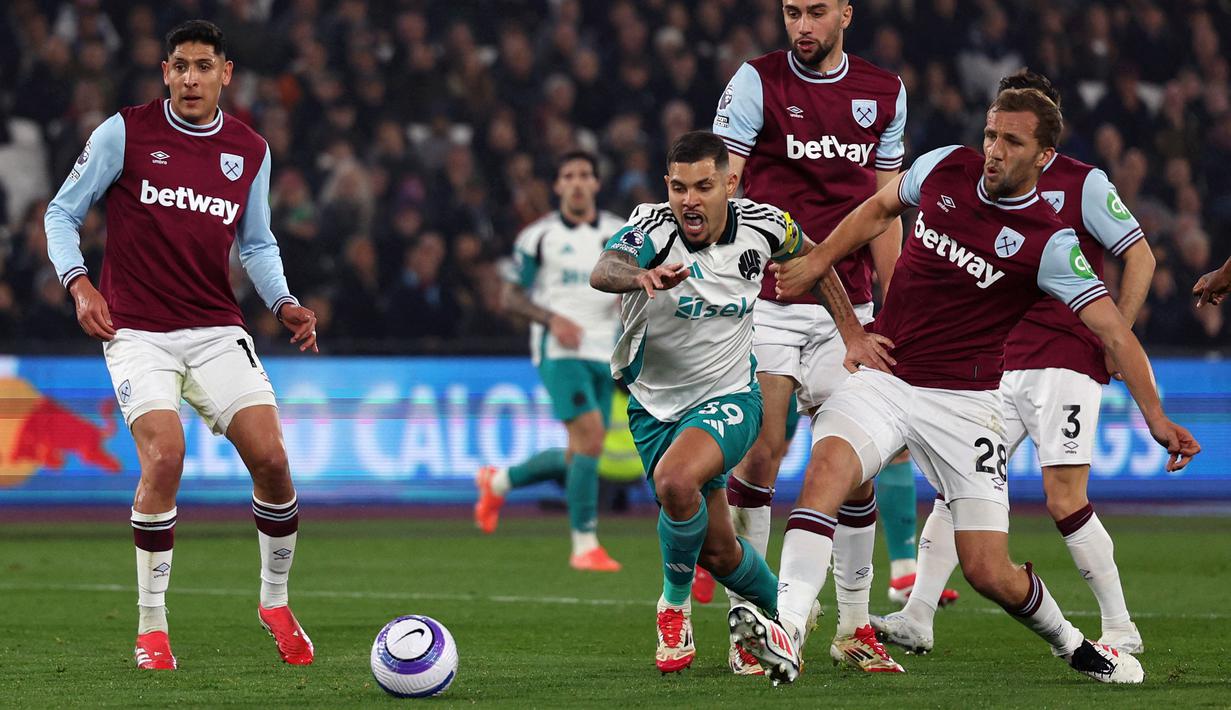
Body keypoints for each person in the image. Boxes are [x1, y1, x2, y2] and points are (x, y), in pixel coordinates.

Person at [731, 89, 1199, 685]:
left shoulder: (1050, 244)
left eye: (1012, 141)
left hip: (966, 405)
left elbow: (1114, 331)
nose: (993, 150)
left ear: (1044, 156)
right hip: (889, 377)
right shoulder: (942, 166)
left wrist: (1155, 417)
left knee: (986, 569)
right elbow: (878, 210)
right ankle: (789, 630)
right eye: (990, 134)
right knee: (825, 471)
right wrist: (821, 259)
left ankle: (1078, 645)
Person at [44, 20, 317, 670]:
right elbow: (60, 213)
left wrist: (282, 301)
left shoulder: (248, 149)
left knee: (273, 460)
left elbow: (255, 241)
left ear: (226, 74)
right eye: (181, 66)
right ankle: (152, 626)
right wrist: (80, 285)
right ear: (165, 72)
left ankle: (274, 602)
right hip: (137, 329)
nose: (191, 78)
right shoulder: (125, 132)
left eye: (204, 66)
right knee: (165, 457)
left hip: (216, 327)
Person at [873, 70, 1156, 657]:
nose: (1001, 142)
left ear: (1047, 132)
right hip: (999, 363)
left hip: (1065, 358)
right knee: (961, 490)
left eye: (1020, 129)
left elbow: (1140, 256)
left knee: (1063, 497)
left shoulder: (1085, 184)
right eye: (996, 128)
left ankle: (1120, 627)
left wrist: (1116, 337)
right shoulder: (977, 185)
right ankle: (918, 614)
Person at [589, 130, 891, 674]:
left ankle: (672, 607)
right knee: (719, 550)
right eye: (679, 187)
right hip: (653, 406)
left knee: (676, 483)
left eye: (704, 186)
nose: (689, 200)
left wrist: (852, 334)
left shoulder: (767, 224)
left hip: (730, 397)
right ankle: (784, 610)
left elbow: (817, 265)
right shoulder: (652, 231)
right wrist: (641, 275)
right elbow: (603, 268)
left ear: (731, 182)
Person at [712, 0, 952, 671]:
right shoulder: (756, 82)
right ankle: (753, 624)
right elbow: (724, 187)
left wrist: (899, 308)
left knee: (851, 464)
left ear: (845, 11)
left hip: (853, 310)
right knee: (761, 452)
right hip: (769, 299)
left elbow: (885, 211)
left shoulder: (884, 92)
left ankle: (852, 626)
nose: (800, 26)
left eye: (815, 11)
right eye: (791, 12)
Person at [475, 151, 625, 572]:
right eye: (568, 176)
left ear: (596, 183)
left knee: (583, 449)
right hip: (558, 351)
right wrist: (552, 318)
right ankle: (584, 545)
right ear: (558, 186)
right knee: (591, 436)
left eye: (584, 175)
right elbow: (510, 297)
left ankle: (498, 481)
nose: (577, 183)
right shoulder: (537, 237)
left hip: (604, 350)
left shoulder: (620, 233)